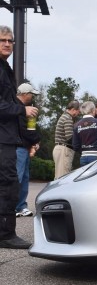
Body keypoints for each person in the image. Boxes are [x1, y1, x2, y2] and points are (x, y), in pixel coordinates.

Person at [0, 25, 37, 249]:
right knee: (8, 184)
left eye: (10, 41)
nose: (7, 44)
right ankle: (5, 235)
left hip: (7, 136)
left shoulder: (5, 68)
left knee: (8, 184)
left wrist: (31, 138)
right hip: (2, 139)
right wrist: (22, 110)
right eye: (2, 40)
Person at [15, 83, 40, 218]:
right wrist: (35, 140)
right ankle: (11, 207)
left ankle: (20, 206)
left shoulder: (26, 109)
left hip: (24, 147)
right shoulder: (17, 108)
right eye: (31, 94)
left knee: (24, 178)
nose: (32, 97)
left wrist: (33, 143)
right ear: (25, 94)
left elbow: (30, 130)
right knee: (16, 178)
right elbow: (23, 130)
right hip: (16, 147)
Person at [53, 100, 80, 179]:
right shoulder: (68, 118)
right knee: (62, 178)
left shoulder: (64, 116)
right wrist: (79, 146)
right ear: (73, 110)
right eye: (78, 111)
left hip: (60, 149)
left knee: (59, 176)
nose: (78, 114)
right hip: (64, 150)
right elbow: (70, 138)